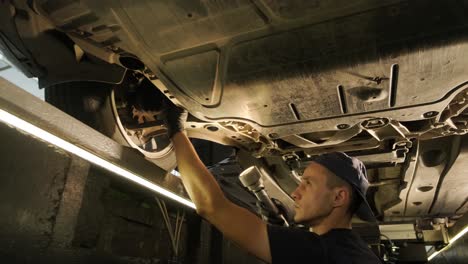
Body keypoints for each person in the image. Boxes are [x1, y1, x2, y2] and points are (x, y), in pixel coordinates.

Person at [163, 104, 382, 264]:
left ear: (338, 198)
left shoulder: (319, 251)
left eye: (308, 184)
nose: (296, 193)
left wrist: (176, 130)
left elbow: (211, 206)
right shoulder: (357, 252)